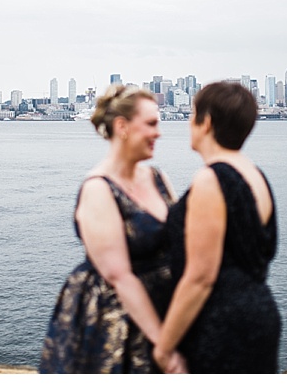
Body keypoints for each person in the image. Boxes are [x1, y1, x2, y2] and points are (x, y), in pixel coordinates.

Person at [39, 84, 187, 374]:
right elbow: (119, 277)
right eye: (151, 124)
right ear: (122, 127)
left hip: (165, 311)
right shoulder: (98, 189)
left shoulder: (159, 178)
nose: (159, 133)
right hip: (118, 323)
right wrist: (164, 348)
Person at [153, 81, 281, 374]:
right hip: (258, 314)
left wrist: (164, 345)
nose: (188, 122)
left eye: (192, 113)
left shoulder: (212, 180)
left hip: (222, 323)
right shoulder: (255, 175)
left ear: (206, 122)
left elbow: (201, 277)